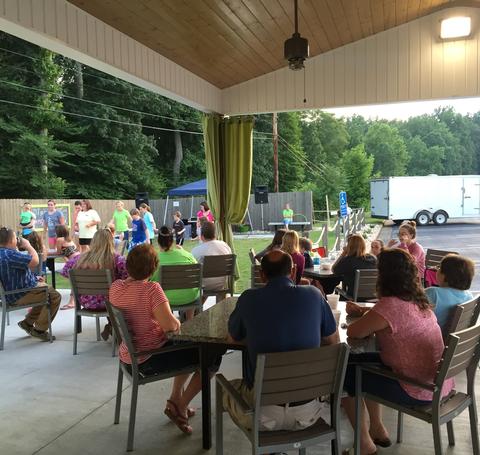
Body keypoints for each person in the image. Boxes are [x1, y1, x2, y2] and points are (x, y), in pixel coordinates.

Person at [342, 249, 454, 455]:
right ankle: (377, 429)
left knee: (344, 375)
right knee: (362, 365)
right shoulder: (419, 301)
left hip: (416, 389)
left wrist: (365, 316)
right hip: (438, 383)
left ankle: (365, 444)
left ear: (383, 276)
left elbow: (354, 332)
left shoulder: (389, 306)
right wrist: (367, 312)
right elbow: (389, 316)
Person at [109, 243, 223, 434]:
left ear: (128, 265)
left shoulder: (116, 287)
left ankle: (174, 400)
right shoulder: (151, 290)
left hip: (128, 356)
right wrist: (174, 320)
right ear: (154, 268)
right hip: (148, 358)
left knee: (187, 345)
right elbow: (171, 326)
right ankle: (180, 406)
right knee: (211, 355)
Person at [225, 250, 338, 431]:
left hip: (262, 415)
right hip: (309, 412)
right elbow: (334, 341)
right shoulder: (314, 295)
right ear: (293, 272)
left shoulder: (248, 299)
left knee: (227, 388)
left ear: (262, 275)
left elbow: (232, 339)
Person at [0, 227, 60, 341]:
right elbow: (35, 261)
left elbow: (16, 272)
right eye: (15, 238)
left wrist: (34, 278)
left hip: (10, 294)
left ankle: (27, 323)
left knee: (45, 291)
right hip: (19, 295)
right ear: (11, 241)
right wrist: (28, 245)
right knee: (54, 296)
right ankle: (39, 330)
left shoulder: (5, 254)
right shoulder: (10, 255)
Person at [60, 229, 127, 317]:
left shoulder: (79, 258)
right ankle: (116, 327)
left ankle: (110, 326)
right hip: (111, 302)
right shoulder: (117, 259)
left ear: (93, 242)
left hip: (86, 302)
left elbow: (65, 272)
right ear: (111, 242)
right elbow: (127, 276)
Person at [151, 226, 200, 321]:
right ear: (172, 241)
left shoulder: (154, 260)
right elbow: (196, 273)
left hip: (165, 300)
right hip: (190, 297)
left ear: (158, 242)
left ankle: (169, 320)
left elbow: (151, 281)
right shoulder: (187, 255)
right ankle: (190, 320)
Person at [425, 254, 475, 333]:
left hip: (434, 339)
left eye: (439, 267)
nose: (436, 270)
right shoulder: (469, 296)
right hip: (455, 340)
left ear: (445, 275)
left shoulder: (433, 293)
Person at [191, 221, 231, 295]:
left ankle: (199, 306)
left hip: (203, 286)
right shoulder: (225, 246)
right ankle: (221, 304)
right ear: (215, 234)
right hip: (221, 283)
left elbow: (192, 271)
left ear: (202, 236)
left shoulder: (196, 251)